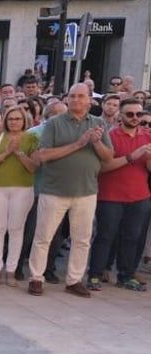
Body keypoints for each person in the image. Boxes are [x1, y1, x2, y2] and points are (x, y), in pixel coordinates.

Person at [26, 85, 113, 297]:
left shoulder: (98, 123)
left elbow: (108, 156)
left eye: (80, 96)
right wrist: (79, 143)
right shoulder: (55, 123)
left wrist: (96, 143)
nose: (75, 99)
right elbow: (44, 155)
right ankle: (36, 277)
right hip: (54, 189)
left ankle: (74, 280)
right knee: (43, 236)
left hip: (86, 190)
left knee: (82, 238)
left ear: (90, 100)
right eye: (72, 96)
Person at [90, 96, 151, 290]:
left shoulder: (147, 136)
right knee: (105, 236)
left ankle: (126, 275)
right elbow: (102, 167)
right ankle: (95, 275)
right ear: (120, 115)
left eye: (139, 114)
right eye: (130, 114)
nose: (135, 118)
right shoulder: (111, 136)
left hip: (140, 196)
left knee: (132, 237)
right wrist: (132, 156)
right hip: (111, 196)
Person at [0, 106, 39, 285]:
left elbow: (33, 166)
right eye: (11, 119)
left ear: (24, 120)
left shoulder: (32, 138)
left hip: (23, 189)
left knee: (16, 229)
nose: (14, 121)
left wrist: (19, 153)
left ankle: (11, 270)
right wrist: (7, 152)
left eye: (17, 118)